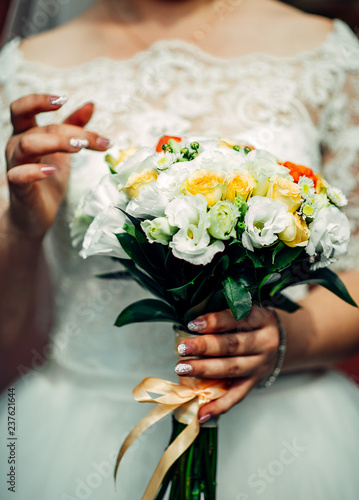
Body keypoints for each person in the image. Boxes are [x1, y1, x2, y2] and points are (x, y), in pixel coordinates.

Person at [0, 0, 359, 498]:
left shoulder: (325, 51)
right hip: (86, 428)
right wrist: (23, 226)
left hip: (287, 430)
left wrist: (279, 339)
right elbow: (8, 329)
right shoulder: (24, 70)